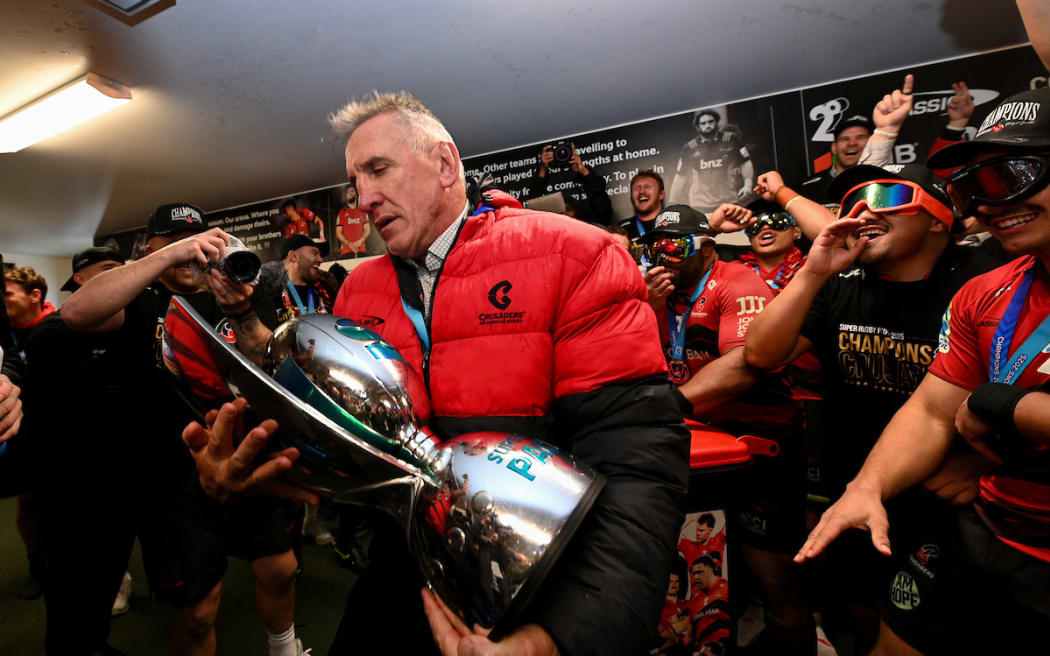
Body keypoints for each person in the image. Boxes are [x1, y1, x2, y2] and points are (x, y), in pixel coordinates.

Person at [182, 90, 689, 656]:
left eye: (378, 170)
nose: (363, 199)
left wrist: (561, 639)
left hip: (543, 582)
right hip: (405, 570)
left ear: (447, 164)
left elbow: (637, 464)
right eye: (355, 185)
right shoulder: (358, 288)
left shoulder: (572, 254)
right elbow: (352, 461)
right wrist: (255, 475)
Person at [794, 86, 1050, 654]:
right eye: (976, 185)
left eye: (1016, 172)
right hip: (987, 527)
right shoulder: (988, 294)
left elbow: (978, 407)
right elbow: (934, 411)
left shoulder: (967, 274)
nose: (991, 202)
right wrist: (867, 488)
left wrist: (1002, 407)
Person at [60, 204, 306, 656]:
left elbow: (276, 368)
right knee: (196, 613)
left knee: (280, 570)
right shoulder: (141, 300)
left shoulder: (238, 290)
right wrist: (165, 258)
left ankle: (285, 647)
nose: (192, 254)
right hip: (175, 480)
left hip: (249, 459)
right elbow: (75, 313)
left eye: (198, 241)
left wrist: (242, 309)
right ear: (151, 247)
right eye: (175, 241)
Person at [640, 203, 814, 653]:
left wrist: (671, 405)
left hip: (762, 445)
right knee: (708, 569)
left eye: (675, 245)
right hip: (703, 446)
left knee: (771, 574)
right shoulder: (662, 293)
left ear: (707, 246)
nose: (664, 256)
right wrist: (648, 310)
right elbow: (651, 361)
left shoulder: (737, 282)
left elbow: (746, 366)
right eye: (654, 245)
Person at [799, 75, 916, 206]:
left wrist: (886, 131)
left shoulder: (891, 184)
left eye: (860, 137)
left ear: (870, 142)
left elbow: (867, 172)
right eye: (845, 139)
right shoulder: (807, 188)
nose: (852, 143)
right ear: (834, 147)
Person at [668, 109, 754, 213]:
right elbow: (680, 176)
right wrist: (672, 202)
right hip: (700, 205)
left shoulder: (732, 139)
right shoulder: (689, 148)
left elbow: (745, 161)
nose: (707, 125)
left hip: (728, 201)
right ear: (698, 126)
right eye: (703, 123)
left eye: (710, 121)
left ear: (716, 122)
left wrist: (748, 184)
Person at [531, 142, 613, 225]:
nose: (564, 215)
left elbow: (601, 203)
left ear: (576, 211)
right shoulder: (552, 233)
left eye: (568, 209)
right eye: (559, 213)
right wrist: (543, 169)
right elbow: (532, 209)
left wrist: (583, 170)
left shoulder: (587, 228)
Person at [618, 169, 666, 243]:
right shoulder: (621, 229)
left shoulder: (674, 224)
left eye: (648, 187)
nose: (642, 191)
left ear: (661, 194)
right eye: (636, 188)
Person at [335, 184, 371, 256]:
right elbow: (338, 233)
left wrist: (360, 241)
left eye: (352, 191)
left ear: (356, 194)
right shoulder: (341, 213)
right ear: (346, 196)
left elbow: (367, 229)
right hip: (346, 251)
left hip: (361, 250)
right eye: (348, 192)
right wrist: (348, 244)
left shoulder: (363, 211)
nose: (350, 193)